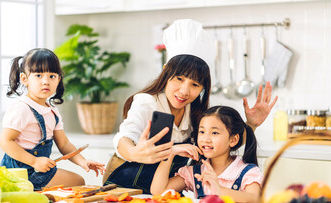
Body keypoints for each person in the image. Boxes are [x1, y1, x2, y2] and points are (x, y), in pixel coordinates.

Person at [103, 19, 276, 194]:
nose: (184, 91)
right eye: (179, 79)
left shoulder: (196, 114)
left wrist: (251, 124)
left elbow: (224, 142)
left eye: (195, 85)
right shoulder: (148, 103)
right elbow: (125, 137)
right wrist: (134, 153)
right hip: (122, 187)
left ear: (203, 88)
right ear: (165, 71)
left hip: (163, 192)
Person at [0, 48, 105, 190]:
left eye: (52, 76)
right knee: (77, 183)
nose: (46, 81)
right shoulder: (22, 108)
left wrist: (83, 161)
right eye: (38, 75)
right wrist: (34, 161)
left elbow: (64, 144)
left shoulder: (52, 112)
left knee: (78, 181)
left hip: (39, 170)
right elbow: (5, 142)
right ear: (24, 79)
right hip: (19, 172)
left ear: (59, 79)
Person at [151, 106, 262, 203]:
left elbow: (255, 198)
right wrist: (170, 153)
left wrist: (219, 189)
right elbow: (158, 191)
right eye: (202, 132)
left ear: (233, 140)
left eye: (214, 133)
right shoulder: (194, 172)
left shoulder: (248, 172)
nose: (205, 139)